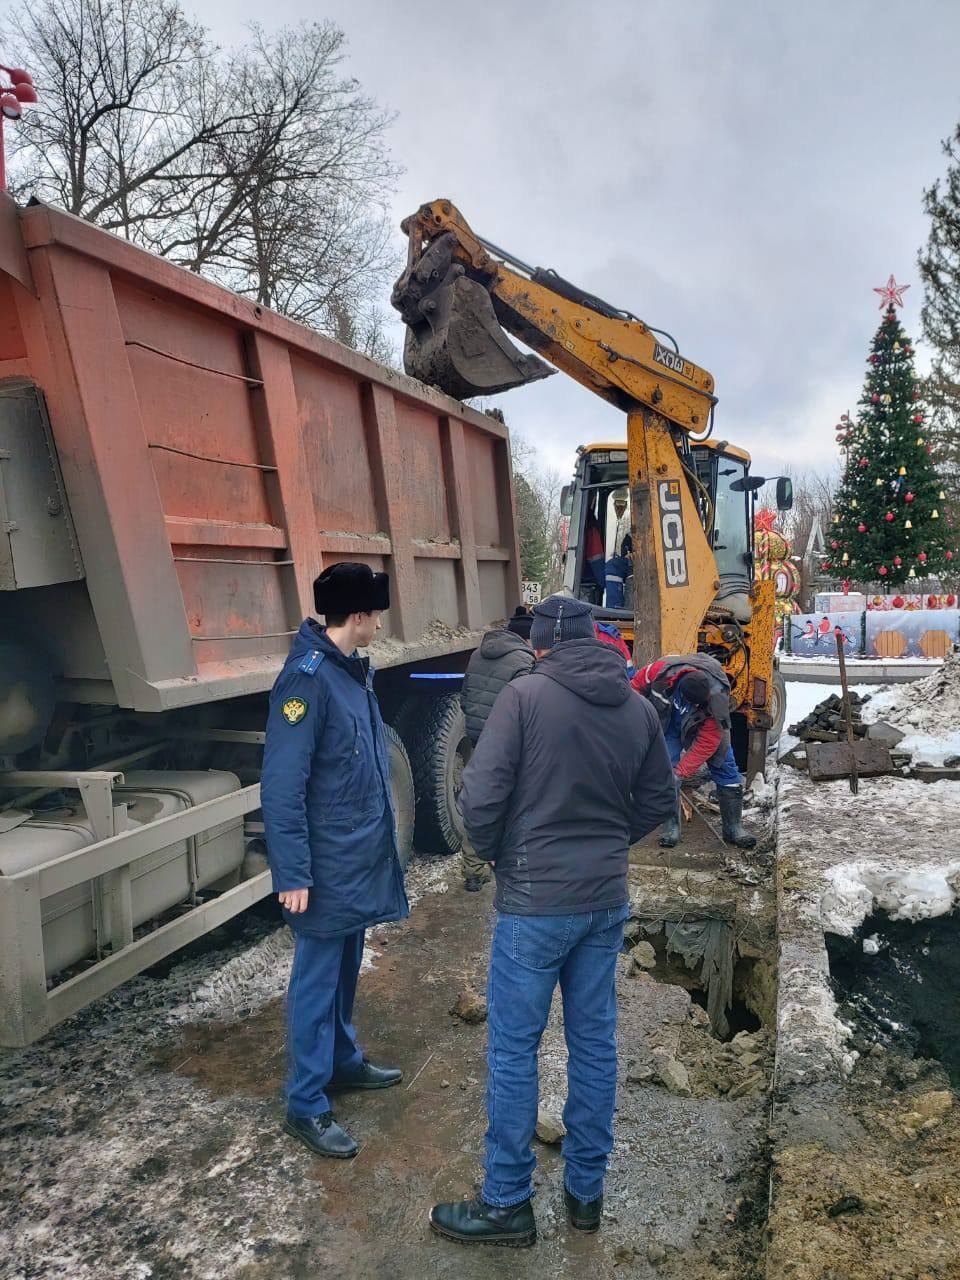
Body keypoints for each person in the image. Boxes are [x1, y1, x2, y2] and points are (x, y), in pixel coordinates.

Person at [429, 595, 676, 1248]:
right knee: (594, 1043)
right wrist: (604, 845)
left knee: (514, 1048)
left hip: (535, 904)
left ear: (542, 646)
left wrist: (497, 853)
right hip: (603, 902)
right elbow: (658, 798)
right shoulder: (636, 707)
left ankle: (507, 1201)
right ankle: (585, 1193)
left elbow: (479, 799)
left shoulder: (524, 698)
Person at [261, 562, 409, 1159]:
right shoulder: (308, 681)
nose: (379, 623)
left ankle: (342, 1061)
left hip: (353, 859)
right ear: (357, 616)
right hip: (322, 867)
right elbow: (281, 785)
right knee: (317, 980)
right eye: (376, 613)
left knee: (347, 963)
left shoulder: (352, 673)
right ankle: (306, 1102)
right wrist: (292, 870)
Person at [631, 654, 756, 850]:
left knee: (725, 765)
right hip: (672, 720)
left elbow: (708, 741)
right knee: (665, 768)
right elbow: (635, 687)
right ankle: (671, 828)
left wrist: (681, 773)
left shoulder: (717, 698)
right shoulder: (659, 671)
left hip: (708, 724)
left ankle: (733, 828)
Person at [459, 607, 536, 891]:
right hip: (506, 742)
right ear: (528, 638)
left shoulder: (477, 654)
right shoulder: (524, 661)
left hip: (479, 737)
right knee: (511, 802)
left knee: (478, 799)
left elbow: (465, 696)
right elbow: (523, 707)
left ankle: (473, 871)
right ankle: (509, 864)